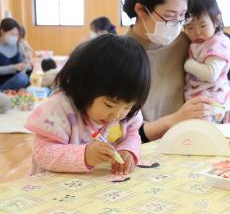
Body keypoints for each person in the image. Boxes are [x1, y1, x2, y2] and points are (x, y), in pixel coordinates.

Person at [25, 34, 151, 176]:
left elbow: (132, 134)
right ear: (84, 88)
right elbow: (42, 153)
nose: (117, 115)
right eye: (109, 105)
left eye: (128, 106)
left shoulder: (127, 113)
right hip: (52, 189)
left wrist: (128, 149)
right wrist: (85, 155)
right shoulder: (60, 108)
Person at [123, 0, 213, 143]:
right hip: (140, 146)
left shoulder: (185, 43)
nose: (177, 24)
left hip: (186, 139)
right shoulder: (120, 54)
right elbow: (119, 131)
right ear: (141, 10)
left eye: (183, 16)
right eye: (170, 16)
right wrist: (176, 119)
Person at [183, 0, 230, 123]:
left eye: (203, 25)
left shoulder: (218, 43)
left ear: (217, 21)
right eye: (190, 27)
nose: (197, 32)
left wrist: (188, 64)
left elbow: (211, 74)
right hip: (201, 99)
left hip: (212, 103)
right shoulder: (201, 42)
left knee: (205, 134)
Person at [0, 18, 31, 91]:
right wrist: (13, 67)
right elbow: (15, 67)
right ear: (2, 31)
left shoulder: (18, 45)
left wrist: (26, 65)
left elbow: (24, 62)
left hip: (15, 81)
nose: (15, 37)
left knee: (23, 78)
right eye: (12, 34)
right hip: (2, 82)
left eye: (17, 35)